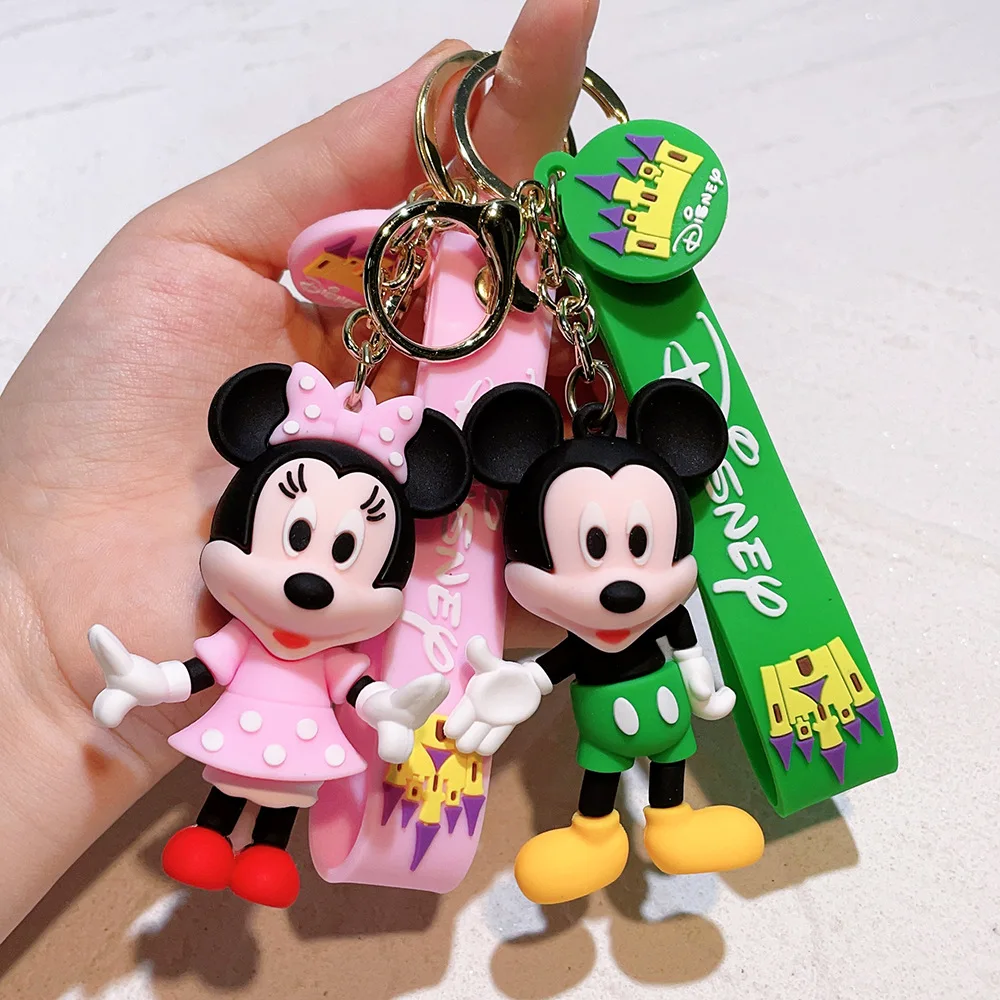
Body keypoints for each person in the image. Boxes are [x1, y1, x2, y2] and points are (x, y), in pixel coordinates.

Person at [0, 0, 599, 942]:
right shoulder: (257, 637)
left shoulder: (339, 646)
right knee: (244, 793)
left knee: (277, 800)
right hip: (266, 724)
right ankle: (223, 837)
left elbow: (356, 690)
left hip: (329, 745)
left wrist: (391, 715)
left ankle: (264, 849)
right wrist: (86, 676)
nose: (313, 578)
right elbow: (201, 665)